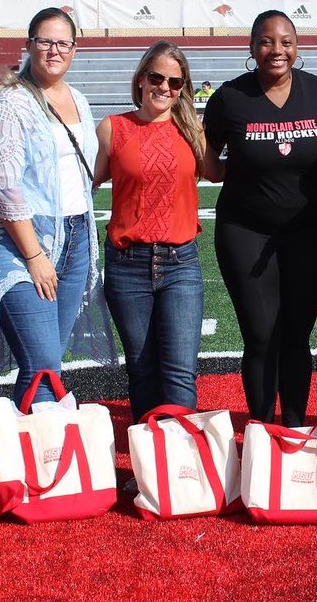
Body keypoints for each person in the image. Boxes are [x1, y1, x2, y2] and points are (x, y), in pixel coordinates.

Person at [202, 10, 317, 427]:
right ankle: (263, 431)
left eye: (285, 41)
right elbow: (211, 168)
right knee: (261, 335)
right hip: (245, 230)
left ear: (297, 47)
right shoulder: (230, 98)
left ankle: (296, 430)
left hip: (307, 231)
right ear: (251, 47)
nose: (276, 50)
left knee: (297, 336)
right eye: (266, 41)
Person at [0, 7, 113, 406]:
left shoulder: (78, 99)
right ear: (29, 45)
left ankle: (35, 440)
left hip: (75, 236)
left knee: (47, 365)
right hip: (23, 239)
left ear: (74, 49)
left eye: (63, 43)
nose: (54, 50)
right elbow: (3, 188)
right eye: (45, 41)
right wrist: (34, 255)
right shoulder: (12, 101)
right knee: (43, 361)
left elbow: (83, 168)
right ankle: (43, 440)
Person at [95, 41, 205, 421]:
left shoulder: (193, 130)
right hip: (126, 265)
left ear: (183, 88)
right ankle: (149, 455)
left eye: (175, 82)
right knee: (141, 371)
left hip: (180, 263)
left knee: (180, 373)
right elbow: (84, 183)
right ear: (141, 78)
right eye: (157, 78)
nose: (164, 88)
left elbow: (225, 171)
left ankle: (181, 454)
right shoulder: (112, 128)